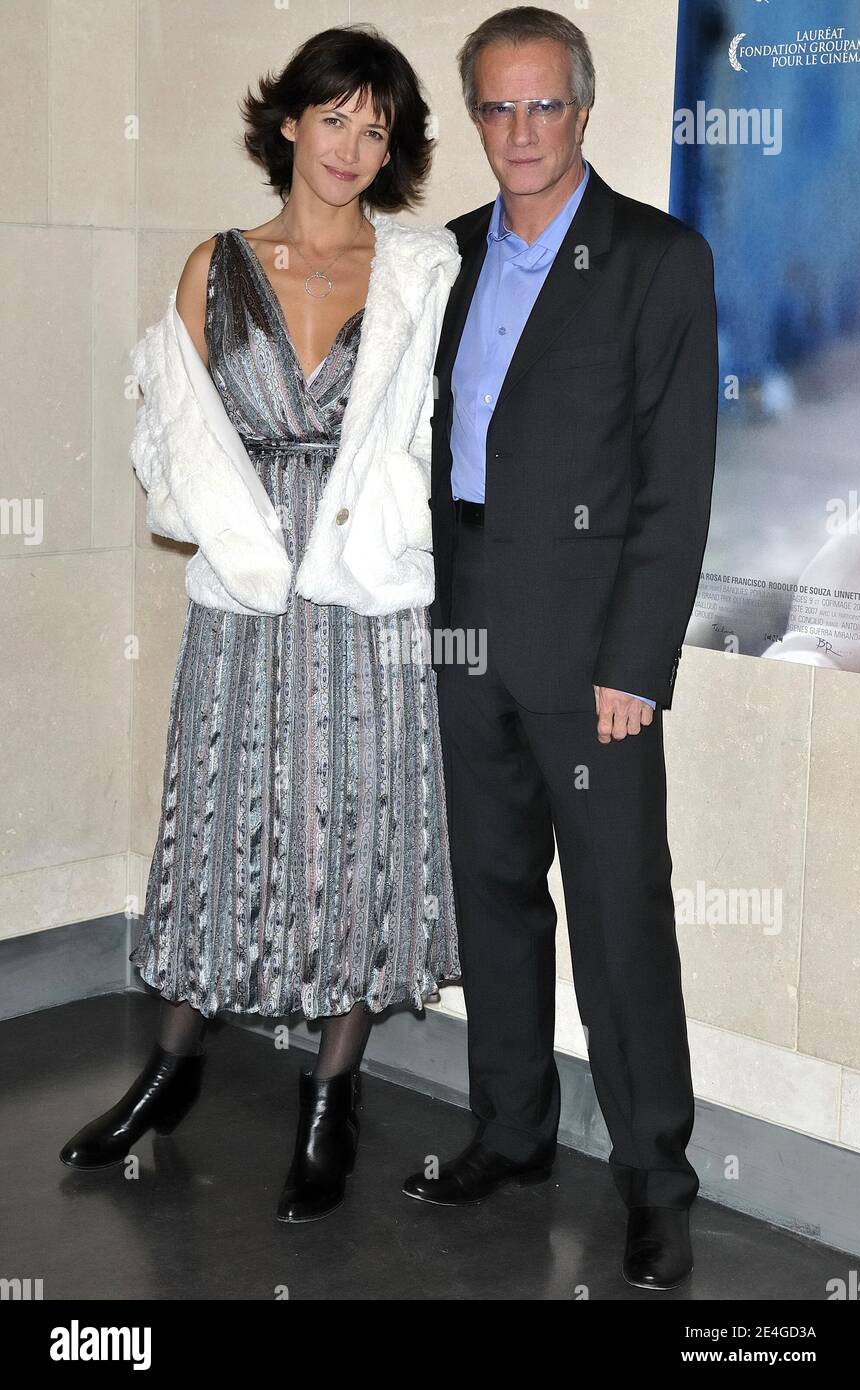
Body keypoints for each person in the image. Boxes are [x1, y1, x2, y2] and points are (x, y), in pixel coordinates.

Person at [59, 24, 463, 1225]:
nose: (352, 145)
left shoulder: (416, 271)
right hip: (243, 601)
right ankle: (172, 1068)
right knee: (220, 819)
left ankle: (330, 1098)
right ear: (287, 121)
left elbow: (427, 437)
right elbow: (172, 445)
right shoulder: (212, 265)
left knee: (354, 831)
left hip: (363, 603)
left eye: (376, 127)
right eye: (333, 116)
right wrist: (243, 540)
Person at [402, 7, 719, 1291]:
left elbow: (674, 481)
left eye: (542, 106)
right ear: (472, 117)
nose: (519, 133)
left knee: (617, 915)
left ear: (582, 112)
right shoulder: (446, 258)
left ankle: (654, 1181)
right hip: (461, 620)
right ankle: (511, 1132)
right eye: (495, 108)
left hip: (590, 653)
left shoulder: (656, 258)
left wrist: (635, 665)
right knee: (490, 897)